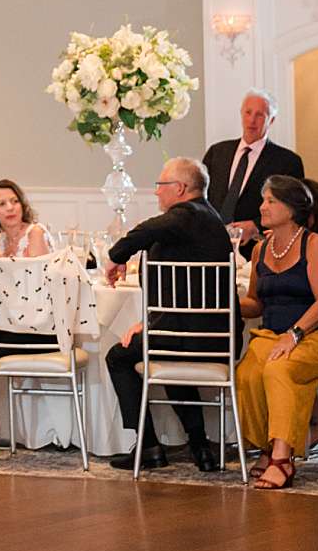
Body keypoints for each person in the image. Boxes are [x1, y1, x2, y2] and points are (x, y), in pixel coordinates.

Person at [100, 157, 233, 475]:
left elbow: (146, 230)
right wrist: (151, 323)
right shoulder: (208, 219)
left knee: (118, 357)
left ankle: (147, 446)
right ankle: (200, 446)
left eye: (161, 185)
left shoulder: (186, 215)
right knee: (163, 351)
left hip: (184, 338)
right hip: (213, 338)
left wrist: (115, 256)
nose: (156, 192)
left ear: (180, 188)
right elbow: (184, 293)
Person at [235, 176, 318, 490]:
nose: (262, 207)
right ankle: (268, 446)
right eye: (263, 200)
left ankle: (283, 457)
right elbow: (255, 303)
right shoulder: (260, 249)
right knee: (248, 374)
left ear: (291, 208)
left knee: (279, 368)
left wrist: (294, 335)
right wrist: (227, 300)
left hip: (317, 335)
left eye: (270, 201)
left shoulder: (314, 244)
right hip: (273, 334)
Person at [204, 92, 304, 246]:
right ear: (241, 114)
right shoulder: (217, 152)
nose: (252, 120)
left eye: (260, 115)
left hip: (257, 246)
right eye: (248, 112)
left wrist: (256, 226)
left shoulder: (287, 161)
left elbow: (293, 208)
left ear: (271, 120)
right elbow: (202, 195)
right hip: (213, 242)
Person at [0, 179, 50, 260]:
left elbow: (38, 271)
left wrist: (2, 259)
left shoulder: (35, 232)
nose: (10, 208)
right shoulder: (1, 241)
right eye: (2, 204)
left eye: (15, 201)